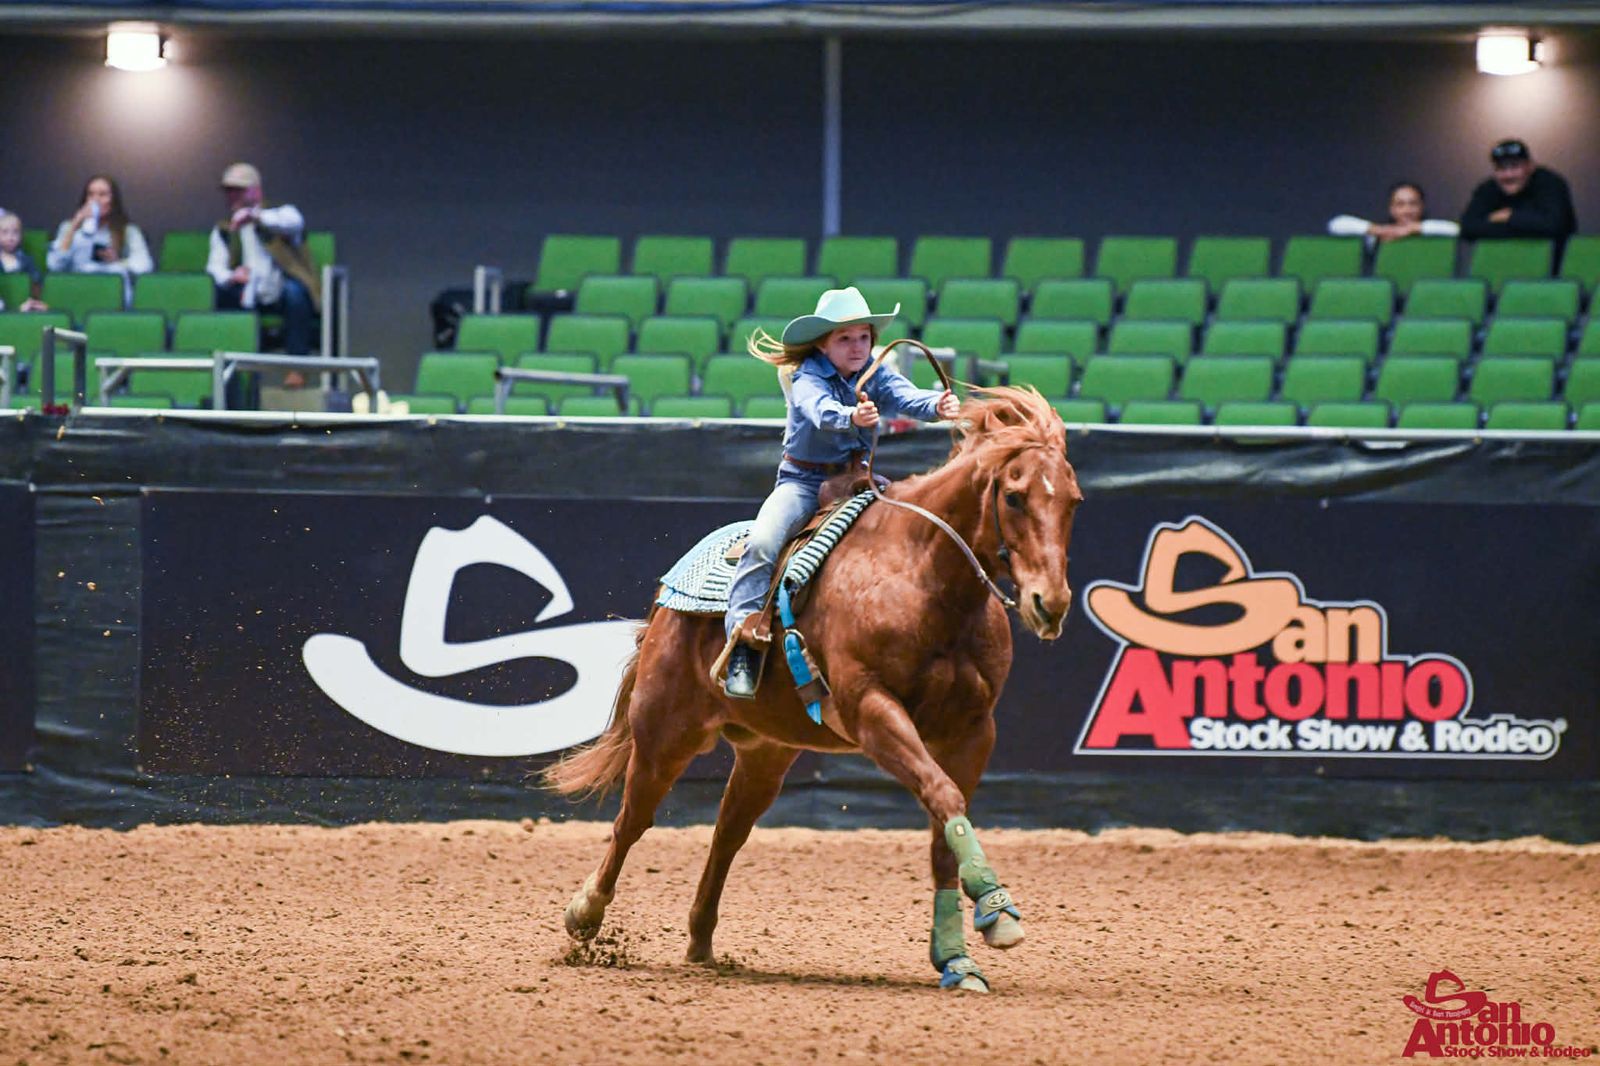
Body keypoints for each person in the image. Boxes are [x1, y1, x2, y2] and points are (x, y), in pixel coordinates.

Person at [720, 286, 962, 699]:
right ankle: (742, 646)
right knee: (761, 544)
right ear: (823, 344)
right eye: (845, 339)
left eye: (863, 337)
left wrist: (937, 406)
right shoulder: (806, 375)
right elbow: (818, 410)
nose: (857, 347)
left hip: (859, 480)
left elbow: (905, 395)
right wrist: (852, 414)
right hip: (802, 483)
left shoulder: (875, 371)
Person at [206, 162, 320, 355]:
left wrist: (255, 216)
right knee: (221, 296)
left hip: (279, 286)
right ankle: (234, 362)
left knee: (296, 294)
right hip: (248, 289)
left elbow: (295, 221)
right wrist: (231, 276)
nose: (232, 195)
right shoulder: (224, 229)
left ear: (255, 191)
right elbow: (214, 267)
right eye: (229, 191)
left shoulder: (276, 216)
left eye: (238, 190)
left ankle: (297, 364)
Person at [46, 174, 153, 302]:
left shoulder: (128, 231)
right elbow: (54, 264)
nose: (95, 200)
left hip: (112, 294)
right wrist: (74, 226)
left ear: (113, 200)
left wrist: (118, 261)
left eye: (102, 195)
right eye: (91, 194)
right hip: (77, 293)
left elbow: (145, 265)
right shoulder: (69, 228)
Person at [1459, 139, 1577, 241]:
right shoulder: (1488, 189)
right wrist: (1527, 226)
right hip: (1500, 260)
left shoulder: (1549, 183)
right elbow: (1468, 227)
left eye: (1515, 167)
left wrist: (1509, 216)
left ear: (1530, 166)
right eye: (1501, 168)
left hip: (1554, 262)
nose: (1508, 175)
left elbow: (1556, 225)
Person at [1328, 181, 1460, 244]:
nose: (1407, 210)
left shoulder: (1433, 233)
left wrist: (1413, 229)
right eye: (1400, 204)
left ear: (1422, 206)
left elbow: (1457, 230)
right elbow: (1336, 225)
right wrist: (1379, 230)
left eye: (1413, 204)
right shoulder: (1377, 236)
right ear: (1391, 209)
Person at [0, 212, 48, 311]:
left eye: (15, 232)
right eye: (5, 232)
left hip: (25, 306)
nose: (10, 238)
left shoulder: (27, 260)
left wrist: (33, 302)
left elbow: (37, 283)